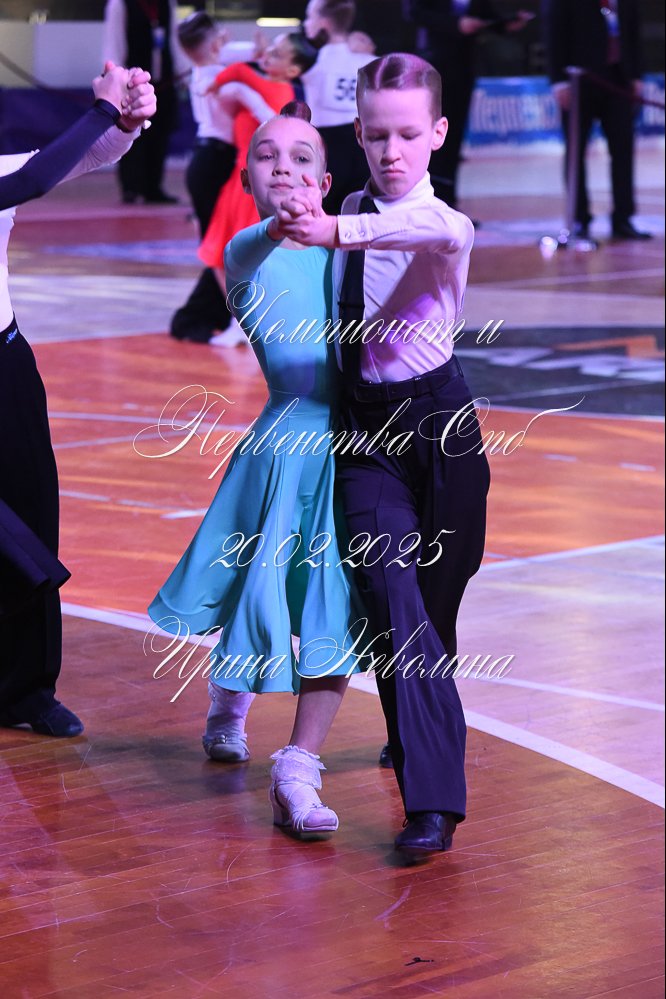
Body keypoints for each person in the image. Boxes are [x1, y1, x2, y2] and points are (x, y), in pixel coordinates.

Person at [275, 53, 491, 858]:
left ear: (437, 132)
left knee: (434, 614)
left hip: (441, 428)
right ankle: (432, 803)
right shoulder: (352, 204)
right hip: (366, 436)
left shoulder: (445, 224)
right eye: (374, 135)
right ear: (358, 133)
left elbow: (417, 229)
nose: (390, 150)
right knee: (394, 602)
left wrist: (333, 229)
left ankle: (413, 733)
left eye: (406, 133)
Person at [149, 103, 365, 836]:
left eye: (302, 158)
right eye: (268, 157)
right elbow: (248, 247)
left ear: (327, 182)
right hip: (283, 448)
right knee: (255, 586)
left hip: (352, 452)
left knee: (333, 604)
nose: (285, 169)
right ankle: (228, 703)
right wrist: (278, 226)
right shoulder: (248, 253)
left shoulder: (349, 250)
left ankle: (299, 767)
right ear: (246, 180)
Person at [0, 66, 157, 739]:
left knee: (34, 517)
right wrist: (100, 109)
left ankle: (26, 690)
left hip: (6, 362)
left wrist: (123, 125)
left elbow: (66, 162)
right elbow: (30, 182)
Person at [198, 33, 318, 347]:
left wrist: (216, 82)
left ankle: (249, 325)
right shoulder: (268, 86)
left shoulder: (272, 89)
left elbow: (238, 70)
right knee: (220, 254)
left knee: (233, 256)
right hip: (240, 182)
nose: (267, 56)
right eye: (270, 50)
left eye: (277, 54)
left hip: (254, 187)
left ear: (292, 70)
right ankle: (244, 323)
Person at [169, 12, 276, 344]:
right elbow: (268, 115)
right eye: (220, 37)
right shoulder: (223, 81)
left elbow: (239, 54)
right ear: (216, 44)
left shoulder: (205, 67)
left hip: (208, 161)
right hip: (213, 164)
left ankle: (220, 315)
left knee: (219, 247)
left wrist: (253, 50)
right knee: (219, 249)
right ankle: (229, 320)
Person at [406, 1, 531, 210]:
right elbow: (414, 12)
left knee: (454, 138)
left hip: (463, 67)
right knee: (431, 137)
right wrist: (455, 24)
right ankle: (425, 204)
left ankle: (448, 204)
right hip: (432, 64)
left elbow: (484, 15)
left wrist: (504, 24)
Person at [543, 0, 651, 241]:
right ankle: (578, 219)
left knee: (623, 151)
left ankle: (623, 218)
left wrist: (636, 75)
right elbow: (554, 34)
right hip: (578, 82)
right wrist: (558, 81)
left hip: (619, 81)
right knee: (576, 152)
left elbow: (633, 34)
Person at [103, 0, 189, 203]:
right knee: (131, 135)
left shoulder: (167, 4)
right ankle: (131, 188)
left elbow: (174, 41)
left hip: (164, 83)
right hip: (133, 83)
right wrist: (116, 79)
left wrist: (184, 74)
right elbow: (114, 44)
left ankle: (153, 188)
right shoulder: (120, 4)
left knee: (160, 135)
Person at [300, 0, 375, 214]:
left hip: (325, 152)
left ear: (323, 23)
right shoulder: (370, 60)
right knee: (359, 219)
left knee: (320, 218)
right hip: (364, 151)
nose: (305, 23)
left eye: (310, 17)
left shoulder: (309, 61)